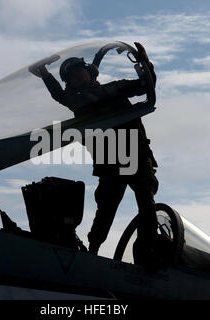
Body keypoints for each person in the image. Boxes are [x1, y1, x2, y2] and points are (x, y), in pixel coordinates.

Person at [32, 43, 160, 269]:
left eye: (79, 71)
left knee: (147, 205)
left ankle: (147, 256)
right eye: (71, 76)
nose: (77, 77)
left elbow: (147, 85)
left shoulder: (116, 88)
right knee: (106, 211)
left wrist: (145, 64)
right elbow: (57, 94)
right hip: (110, 165)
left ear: (88, 71)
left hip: (136, 157)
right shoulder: (77, 102)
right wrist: (43, 72)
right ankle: (92, 254)